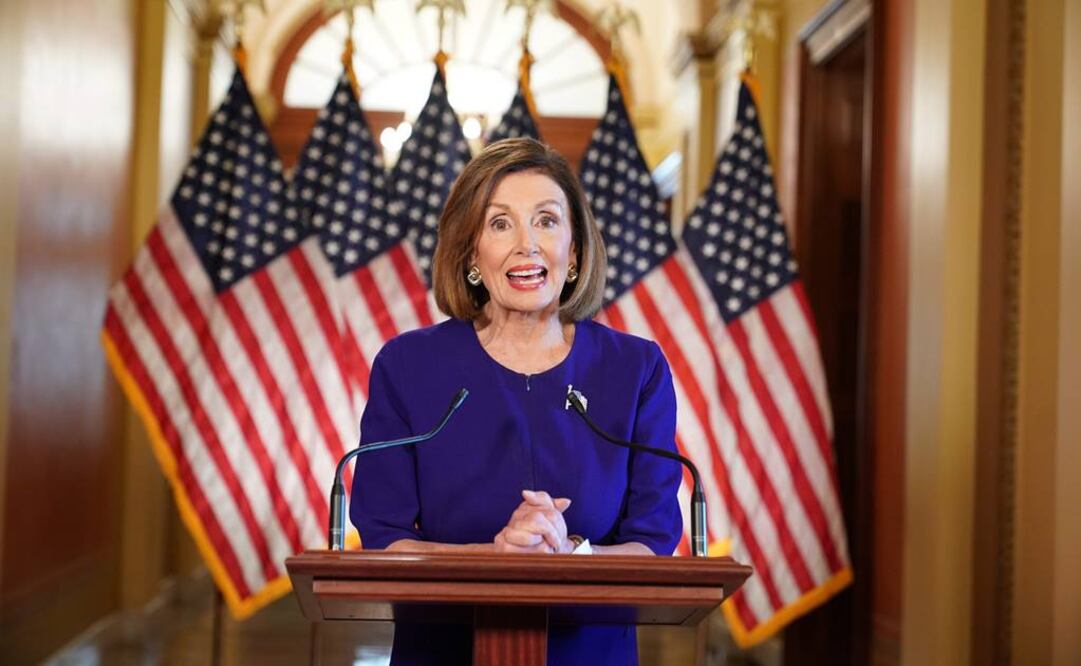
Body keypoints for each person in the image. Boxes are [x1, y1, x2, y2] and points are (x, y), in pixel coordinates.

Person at [350, 137, 683, 665]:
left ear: (574, 252)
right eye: (500, 223)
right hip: (441, 652)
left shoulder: (636, 370)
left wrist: (572, 555)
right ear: (471, 252)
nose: (527, 245)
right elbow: (383, 536)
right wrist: (500, 554)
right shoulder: (408, 367)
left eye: (547, 221)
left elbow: (653, 537)